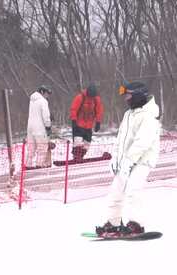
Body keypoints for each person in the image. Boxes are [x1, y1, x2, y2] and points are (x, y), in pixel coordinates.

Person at [95, 81, 161, 237]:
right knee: (116, 191)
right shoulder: (128, 114)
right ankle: (113, 224)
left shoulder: (149, 115)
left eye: (129, 95)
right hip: (125, 161)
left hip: (142, 160)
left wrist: (128, 161)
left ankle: (136, 224)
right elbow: (120, 140)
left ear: (138, 95)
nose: (126, 99)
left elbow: (142, 142)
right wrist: (116, 159)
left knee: (133, 190)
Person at [69, 83, 104, 161]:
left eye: (93, 96)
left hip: (89, 125)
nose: (91, 97)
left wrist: (98, 122)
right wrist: (74, 120)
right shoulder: (80, 97)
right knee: (78, 142)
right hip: (78, 124)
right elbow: (73, 109)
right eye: (90, 96)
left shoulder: (96, 99)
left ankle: (81, 156)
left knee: (87, 143)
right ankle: (76, 157)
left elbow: (99, 111)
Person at [26, 85, 53, 168]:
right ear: (42, 92)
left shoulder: (32, 101)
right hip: (40, 128)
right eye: (47, 93)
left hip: (30, 127)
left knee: (31, 148)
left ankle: (28, 165)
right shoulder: (43, 101)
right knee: (42, 147)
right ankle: (39, 165)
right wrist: (48, 126)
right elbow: (46, 116)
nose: (47, 96)